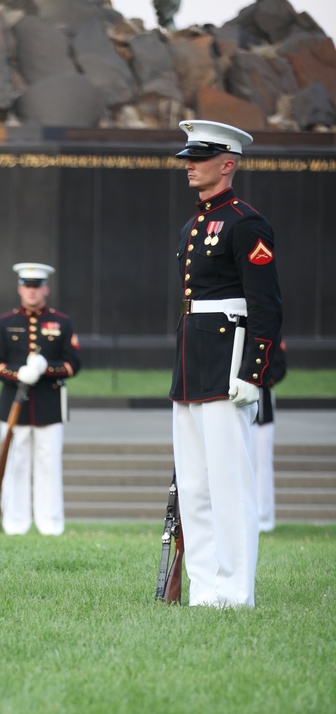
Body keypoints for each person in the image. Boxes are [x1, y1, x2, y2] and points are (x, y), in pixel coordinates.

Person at [171, 119, 283, 607]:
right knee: (194, 484)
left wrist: (252, 372)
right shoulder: (193, 224)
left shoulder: (245, 222)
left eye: (199, 158)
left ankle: (235, 591)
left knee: (230, 482)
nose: (190, 166)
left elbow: (266, 305)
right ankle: (204, 589)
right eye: (188, 158)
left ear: (228, 164)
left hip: (228, 359)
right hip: (193, 359)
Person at [0, 263, 80, 537]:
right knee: (14, 465)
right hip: (13, 407)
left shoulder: (62, 322)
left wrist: (45, 367)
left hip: (49, 407)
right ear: (19, 288)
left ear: (46, 289)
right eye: (27, 286)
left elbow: (73, 363)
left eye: (37, 286)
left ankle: (50, 525)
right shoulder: (5, 322)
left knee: (49, 467)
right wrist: (18, 374)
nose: (32, 291)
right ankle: (15, 525)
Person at [253, 337, 286, 533]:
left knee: (264, 465)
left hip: (264, 407)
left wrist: (261, 377)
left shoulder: (274, 333)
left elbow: (280, 367)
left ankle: (264, 518)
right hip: (242, 410)